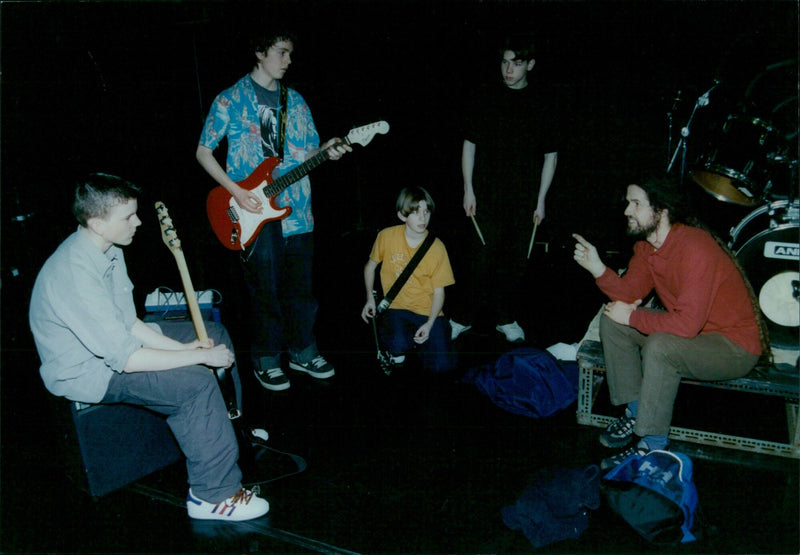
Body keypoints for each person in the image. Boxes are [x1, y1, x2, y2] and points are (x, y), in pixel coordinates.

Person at [29, 173, 269, 521]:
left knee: (213, 332)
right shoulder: (75, 273)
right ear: (97, 222)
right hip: (90, 372)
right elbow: (126, 359)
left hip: (116, 348)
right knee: (195, 384)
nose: (138, 222)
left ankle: (230, 426)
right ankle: (213, 495)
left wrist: (195, 349)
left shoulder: (107, 249)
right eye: (128, 217)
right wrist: (196, 358)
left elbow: (131, 324)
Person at [572, 174, 767, 470]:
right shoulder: (647, 248)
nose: (627, 210)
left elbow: (686, 325)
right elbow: (628, 294)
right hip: (696, 334)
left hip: (734, 346)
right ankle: (636, 411)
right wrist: (598, 268)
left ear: (660, 211)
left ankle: (653, 446)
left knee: (660, 346)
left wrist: (635, 316)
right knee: (614, 319)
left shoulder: (695, 248)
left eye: (636, 203)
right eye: (628, 203)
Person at [196, 27, 350, 391]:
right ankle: (266, 358)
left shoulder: (295, 101)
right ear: (261, 52)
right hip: (249, 210)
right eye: (282, 52)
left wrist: (328, 149)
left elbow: (309, 153)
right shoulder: (230, 99)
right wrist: (236, 190)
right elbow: (203, 151)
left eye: (290, 53)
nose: (289, 60)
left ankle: (303, 351)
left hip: (297, 210)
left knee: (301, 289)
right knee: (265, 289)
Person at [450, 34, 558, 343]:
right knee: (478, 259)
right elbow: (469, 145)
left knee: (515, 262)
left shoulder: (542, 103)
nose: (508, 70)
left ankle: (506, 317)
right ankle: (462, 317)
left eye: (517, 64)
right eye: (505, 62)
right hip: (486, 195)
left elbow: (551, 156)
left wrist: (541, 201)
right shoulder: (486, 97)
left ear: (531, 65)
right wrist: (468, 189)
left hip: (523, 198)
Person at [361, 187, 457, 374]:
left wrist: (429, 324)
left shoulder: (437, 248)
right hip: (396, 307)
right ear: (402, 216)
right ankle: (402, 343)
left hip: (427, 310)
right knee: (397, 345)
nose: (423, 218)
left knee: (442, 366)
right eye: (415, 212)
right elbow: (369, 267)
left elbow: (439, 292)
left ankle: (427, 339)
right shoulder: (386, 236)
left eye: (426, 211)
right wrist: (369, 299)